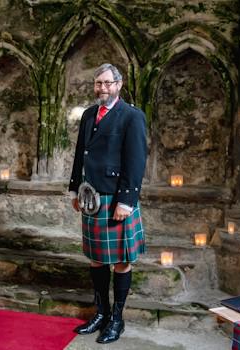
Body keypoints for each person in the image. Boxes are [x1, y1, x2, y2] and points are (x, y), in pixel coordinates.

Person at [68, 63, 148, 344]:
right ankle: (100, 313)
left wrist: (127, 200)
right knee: (96, 258)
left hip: (116, 198)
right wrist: (75, 189)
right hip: (92, 198)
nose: (102, 88)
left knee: (121, 262)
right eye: (98, 83)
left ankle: (117, 318)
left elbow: (136, 162)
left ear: (119, 84)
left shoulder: (132, 116)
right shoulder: (89, 115)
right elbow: (81, 154)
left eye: (107, 83)